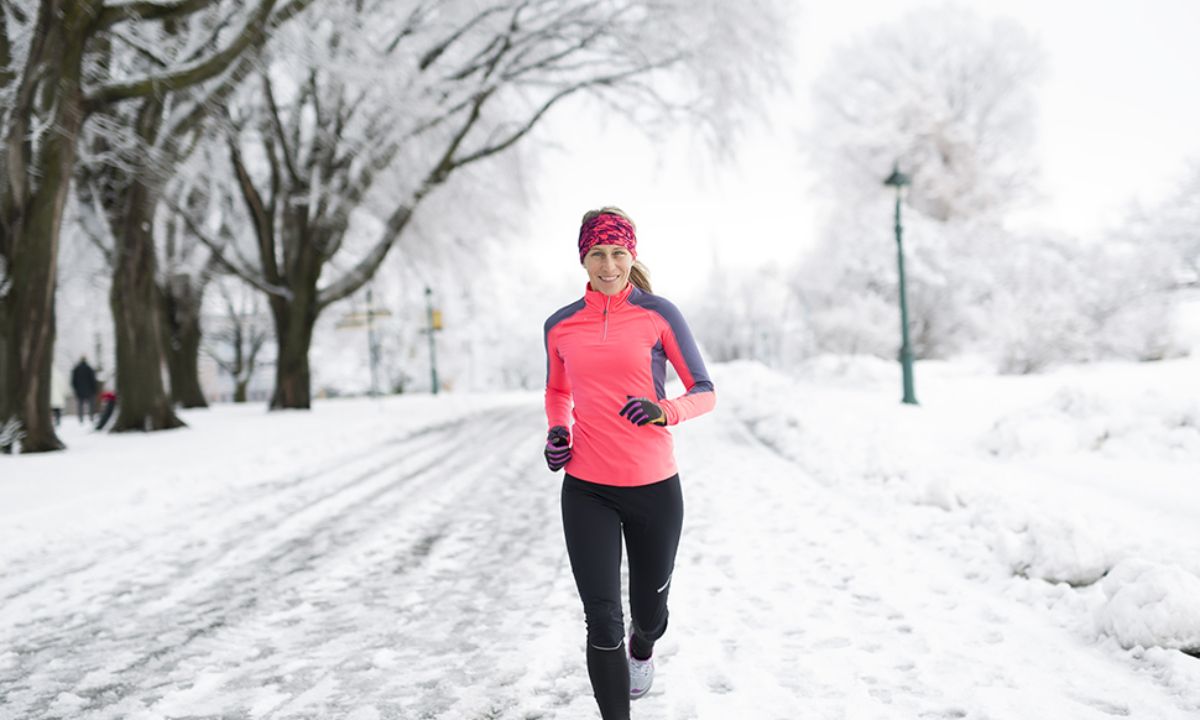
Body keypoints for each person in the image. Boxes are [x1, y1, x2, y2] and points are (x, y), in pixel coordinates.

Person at [542, 207, 715, 719]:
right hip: (587, 488)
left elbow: (704, 390)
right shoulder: (560, 325)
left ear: (631, 255)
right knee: (602, 619)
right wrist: (558, 429)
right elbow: (557, 389)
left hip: (654, 487)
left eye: (618, 252)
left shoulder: (658, 314)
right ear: (583, 258)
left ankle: (645, 646)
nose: (609, 264)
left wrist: (666, 411)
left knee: (647, 615)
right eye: (597, 253)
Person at [71, 356, 98, 424]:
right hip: (90, 390)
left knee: (80, 405)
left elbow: (73, 381)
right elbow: (93, 380)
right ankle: (91, 417)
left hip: (79, 390)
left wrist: (76, 389)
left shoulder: (76, 369)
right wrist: (94, 389)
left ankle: (81, 418)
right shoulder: (89, 368)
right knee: (91, 405)